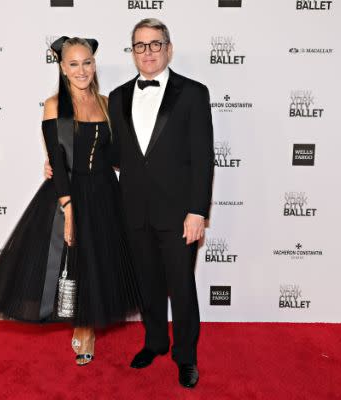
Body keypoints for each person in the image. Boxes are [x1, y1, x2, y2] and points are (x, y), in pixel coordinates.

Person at [46, 19, 214, 388]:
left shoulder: (193, 93)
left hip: (178, 214)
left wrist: (198, 211)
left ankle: (185, 357)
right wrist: (64, 163)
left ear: (168, 48)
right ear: (132, 52)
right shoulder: (118, 97)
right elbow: (110, 153)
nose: (149, 52)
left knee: (181, 287)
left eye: (156, 44)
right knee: (147, 284)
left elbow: (204, 158)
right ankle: (155, 342)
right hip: (131, 210)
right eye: (140, 45)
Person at [0, 36, 142, 366]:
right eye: (74, 64)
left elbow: (117, 156)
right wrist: (68, 211)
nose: (82, 70)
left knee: (98, 264)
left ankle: (87, 326)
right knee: (71, 263)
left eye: (87, 62)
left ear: (94, 65)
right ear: (62, 68)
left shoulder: (109, 103)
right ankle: (80, 327)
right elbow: (58, 156)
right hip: (67, 194)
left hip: (106, 192)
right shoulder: (54, 105)